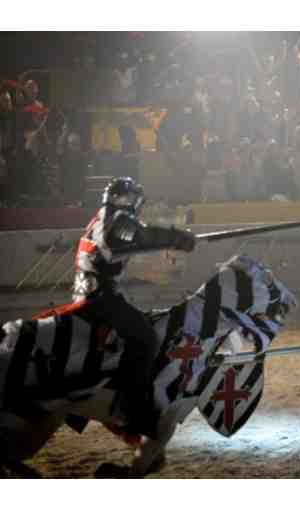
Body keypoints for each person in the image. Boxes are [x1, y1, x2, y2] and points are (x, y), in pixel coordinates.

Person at [73, 177, 196, 438]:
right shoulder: (116, 219)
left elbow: (135, 239)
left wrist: (172, 241)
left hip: (89, 294)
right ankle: (134, 410)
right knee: (146, 339)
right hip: (101, 298)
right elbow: (138, 235)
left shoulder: (101, 218)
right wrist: (175, 237)